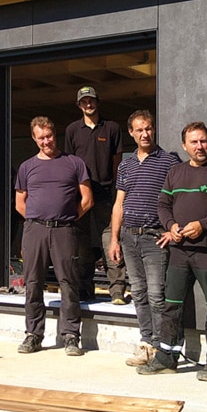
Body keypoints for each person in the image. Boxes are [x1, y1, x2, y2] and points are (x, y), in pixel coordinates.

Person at [137, 122, 207, 381]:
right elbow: (163, 204)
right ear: (184, 146)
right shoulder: (175, 173)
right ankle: (167, 356)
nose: (200, 146)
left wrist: (203, 225)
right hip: (179, 251)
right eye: (194, 142)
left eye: (203, 141)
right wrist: (170, 225)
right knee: (171, 305)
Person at [15, 116, 93, 356]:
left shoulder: (74, 163)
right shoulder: (27, 167)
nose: (46, 141)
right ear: (34, 138)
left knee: (68, 283)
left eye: (49, 136)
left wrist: (66, 217)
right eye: (41, 138)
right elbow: (20, 203)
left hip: (64, 230)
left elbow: (87, 200)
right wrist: (39, 220)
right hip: (35, 230)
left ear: (54, 134)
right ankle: (33, 335)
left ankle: (71, 336)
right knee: (33, 283)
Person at [108, 110, 181, 366]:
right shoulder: (125, 165)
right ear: (131, 133)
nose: (145, 134)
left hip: (155, 238)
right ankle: (146, 343)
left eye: (148, 128)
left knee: (157, 295)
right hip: (129, 237)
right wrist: (114, 239)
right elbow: (119, 203)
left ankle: (163, 348)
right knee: (138, 293)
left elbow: (178, 199)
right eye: (139, 130)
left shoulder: (169, 161)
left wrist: (172, 229)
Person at [64, 85, 125, 303]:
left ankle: (117, 290)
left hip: (105, 194)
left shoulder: (112, 128)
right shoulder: (72, 130)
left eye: (91, 101)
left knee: (111, 240)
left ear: (98, 102)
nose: (88, 105)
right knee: (81, 244)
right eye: (83, 102)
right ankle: (84, 289)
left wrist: (117, 190)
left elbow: (117, 162)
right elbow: (69, 164)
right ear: (79, 105)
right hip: (79, 196)